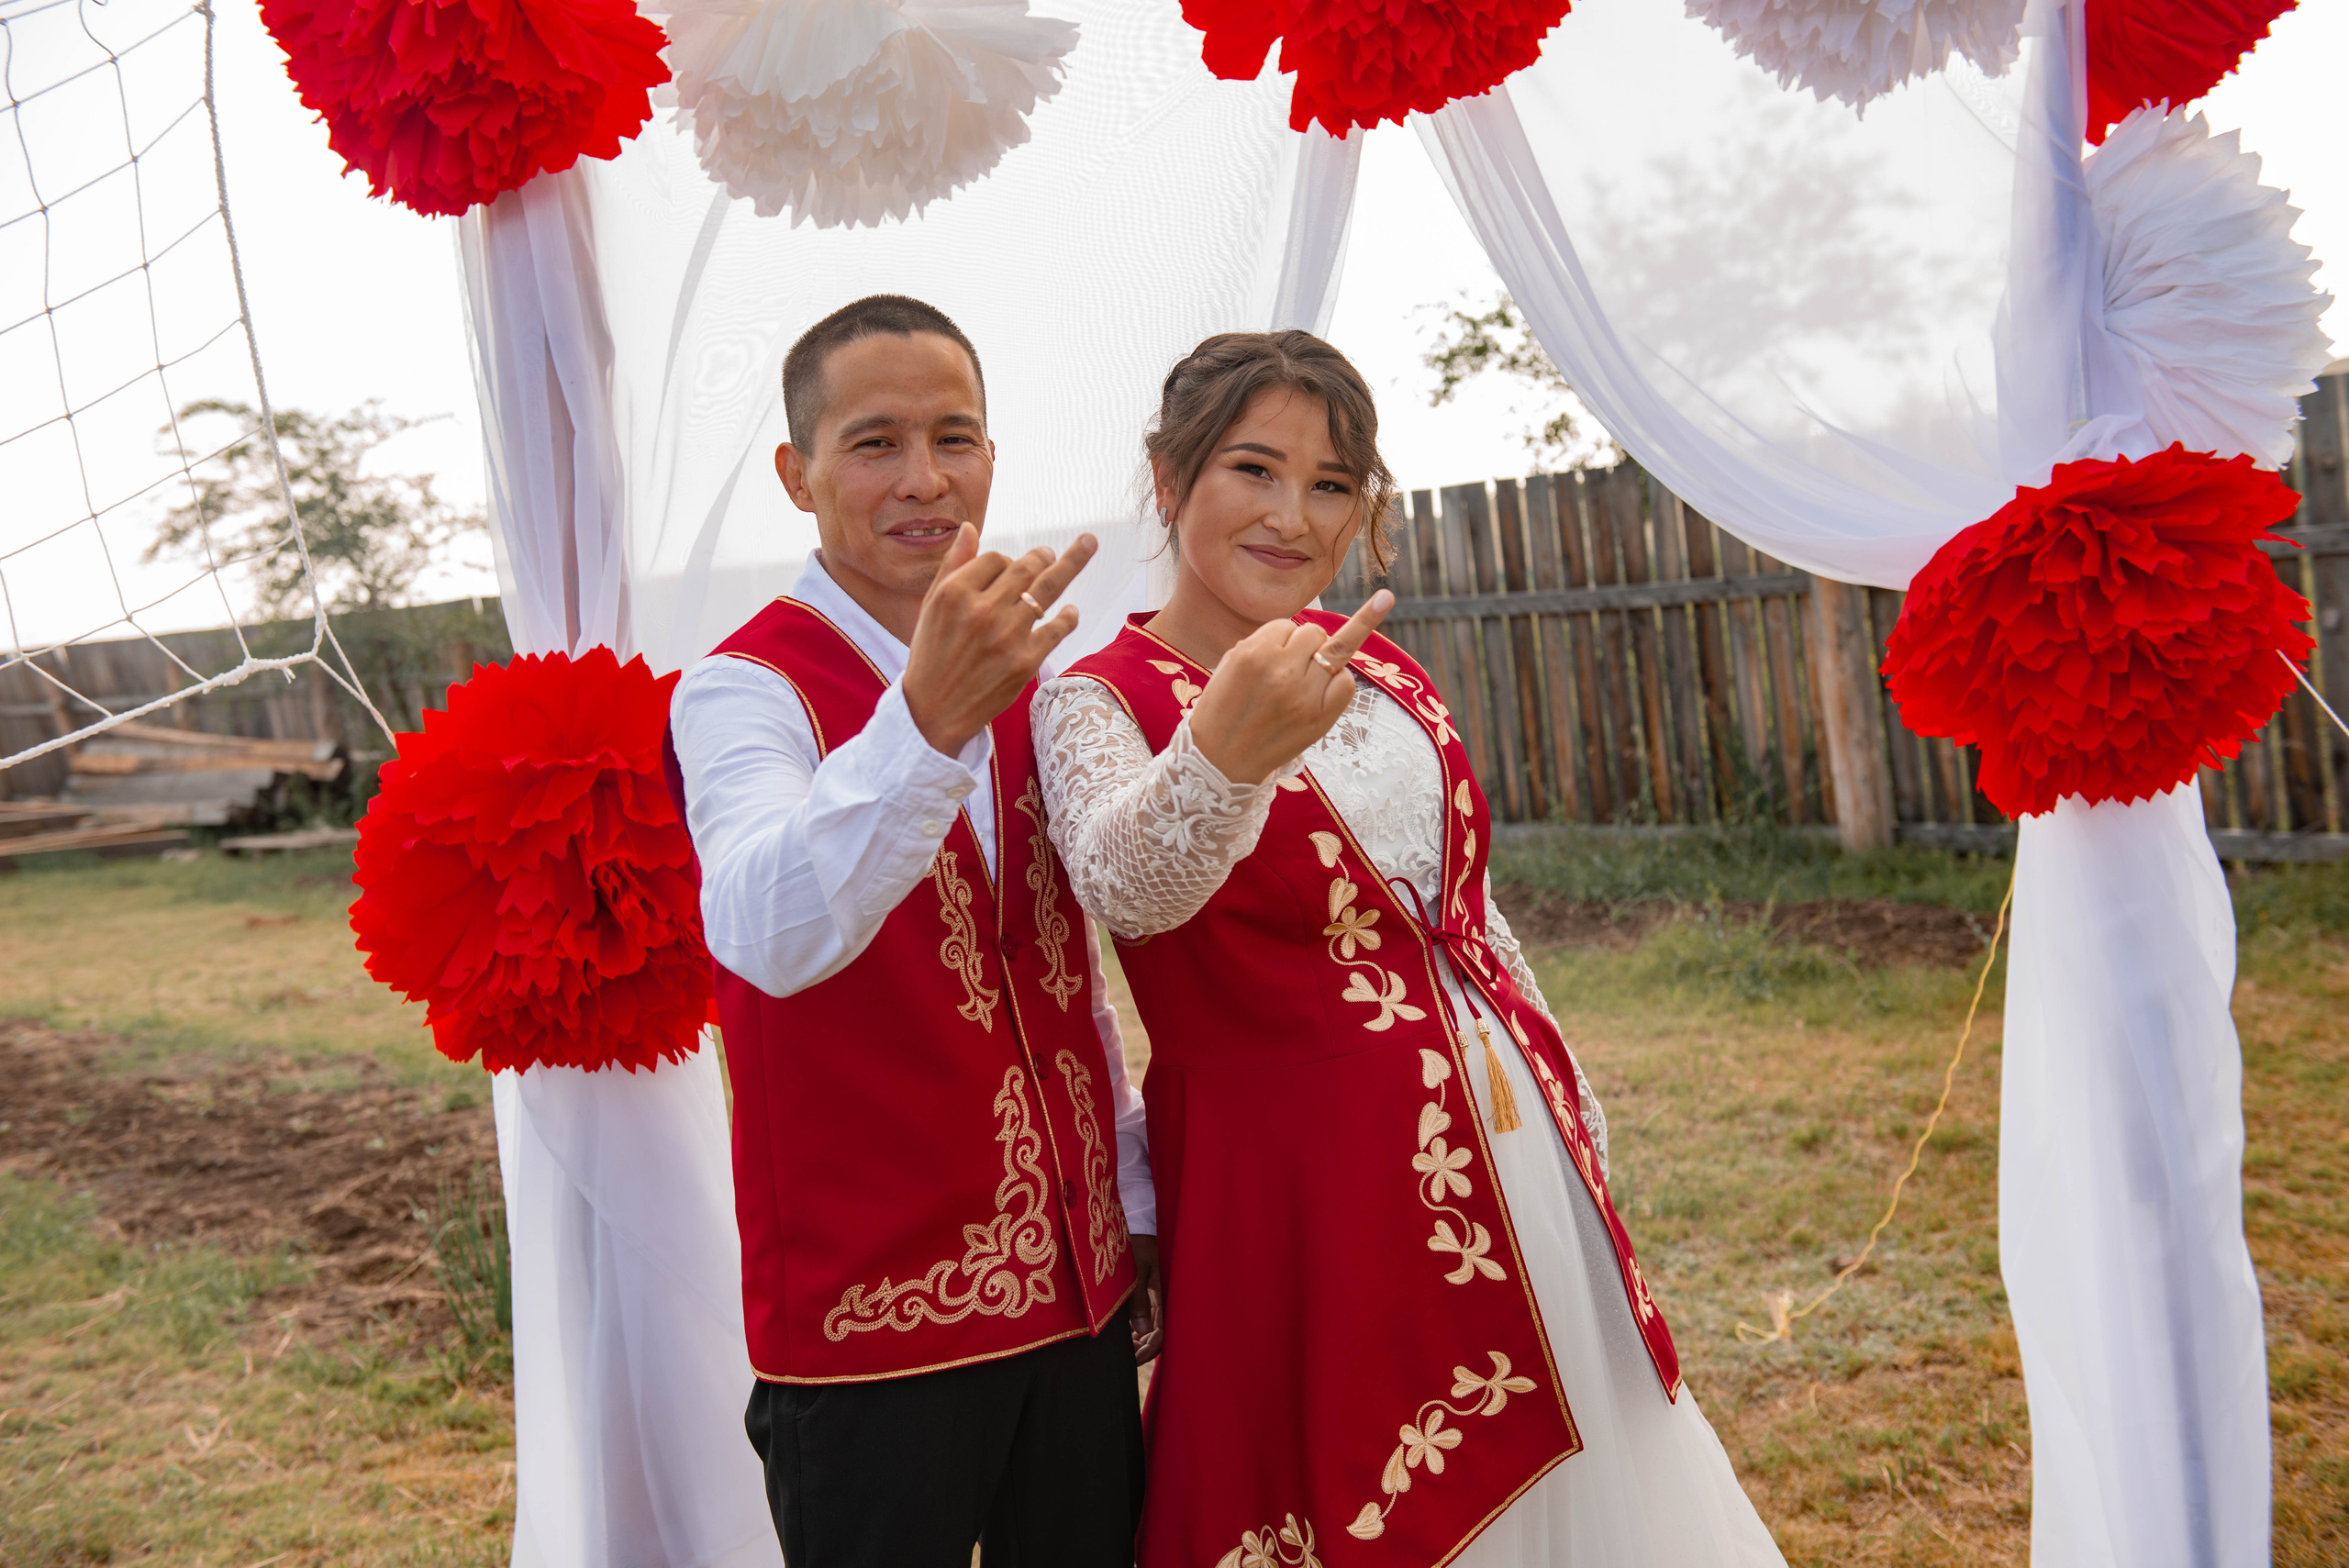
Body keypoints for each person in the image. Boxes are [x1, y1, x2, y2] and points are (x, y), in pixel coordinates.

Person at [1035, 330, 1787, 1567]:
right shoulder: (1101, 695)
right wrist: (1226, 750)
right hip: (1297, 1184)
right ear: (1167, 480)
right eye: (1254, 469)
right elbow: (1128, 883)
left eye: (1332, 483)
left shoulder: (1382, 667)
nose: (1293, 514)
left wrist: (1563, 1089)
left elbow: (1465, 909)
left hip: (1505, 1144)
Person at [666, 294, 1162, 1567]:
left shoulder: (1035, 675)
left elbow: (1069, 977)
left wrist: (1133, 1198)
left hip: (1082, 1290)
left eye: (957, 436)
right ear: (799, 472)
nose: (926, 479)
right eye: (876, 441)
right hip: (873, 1325)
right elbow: (763, 925)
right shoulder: (742, 688)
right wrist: (927, 721)